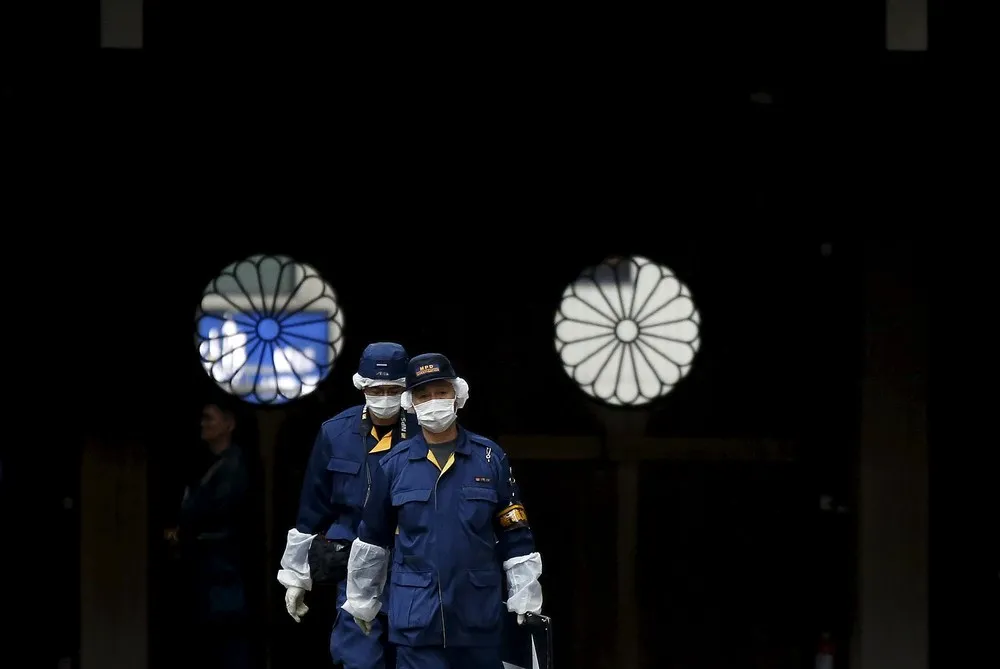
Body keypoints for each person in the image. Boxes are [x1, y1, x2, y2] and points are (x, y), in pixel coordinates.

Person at [342, 353, 544, 669]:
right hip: (417, 624)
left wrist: (526, 595)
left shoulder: (489, 458)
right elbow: (372, 540)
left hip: (478, 621)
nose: (433, 401)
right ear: (411, 402)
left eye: (441, 392)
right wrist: (361, 602)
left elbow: (514, 532)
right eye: (423, 395)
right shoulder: (394, 465)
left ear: (457, 395)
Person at [277, 342, 416, 669]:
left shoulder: (426, 433)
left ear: (406, 389)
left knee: (414, 658)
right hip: (353, 565)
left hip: (412, 567)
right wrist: (296, 576)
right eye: (375, 388)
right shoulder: (335, 433)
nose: (384, 396)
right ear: (361, 385)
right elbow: (312, 507)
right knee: (358, 659)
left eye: (393, 389)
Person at [169, 398, 258, 669]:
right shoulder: (214, 467)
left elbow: (214, 515)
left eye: (210, 418)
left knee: (226, 650)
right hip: (212, 576)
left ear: (228, 424)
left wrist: (187, 535)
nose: (203, 424)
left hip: (222, 574)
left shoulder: (233, 468)